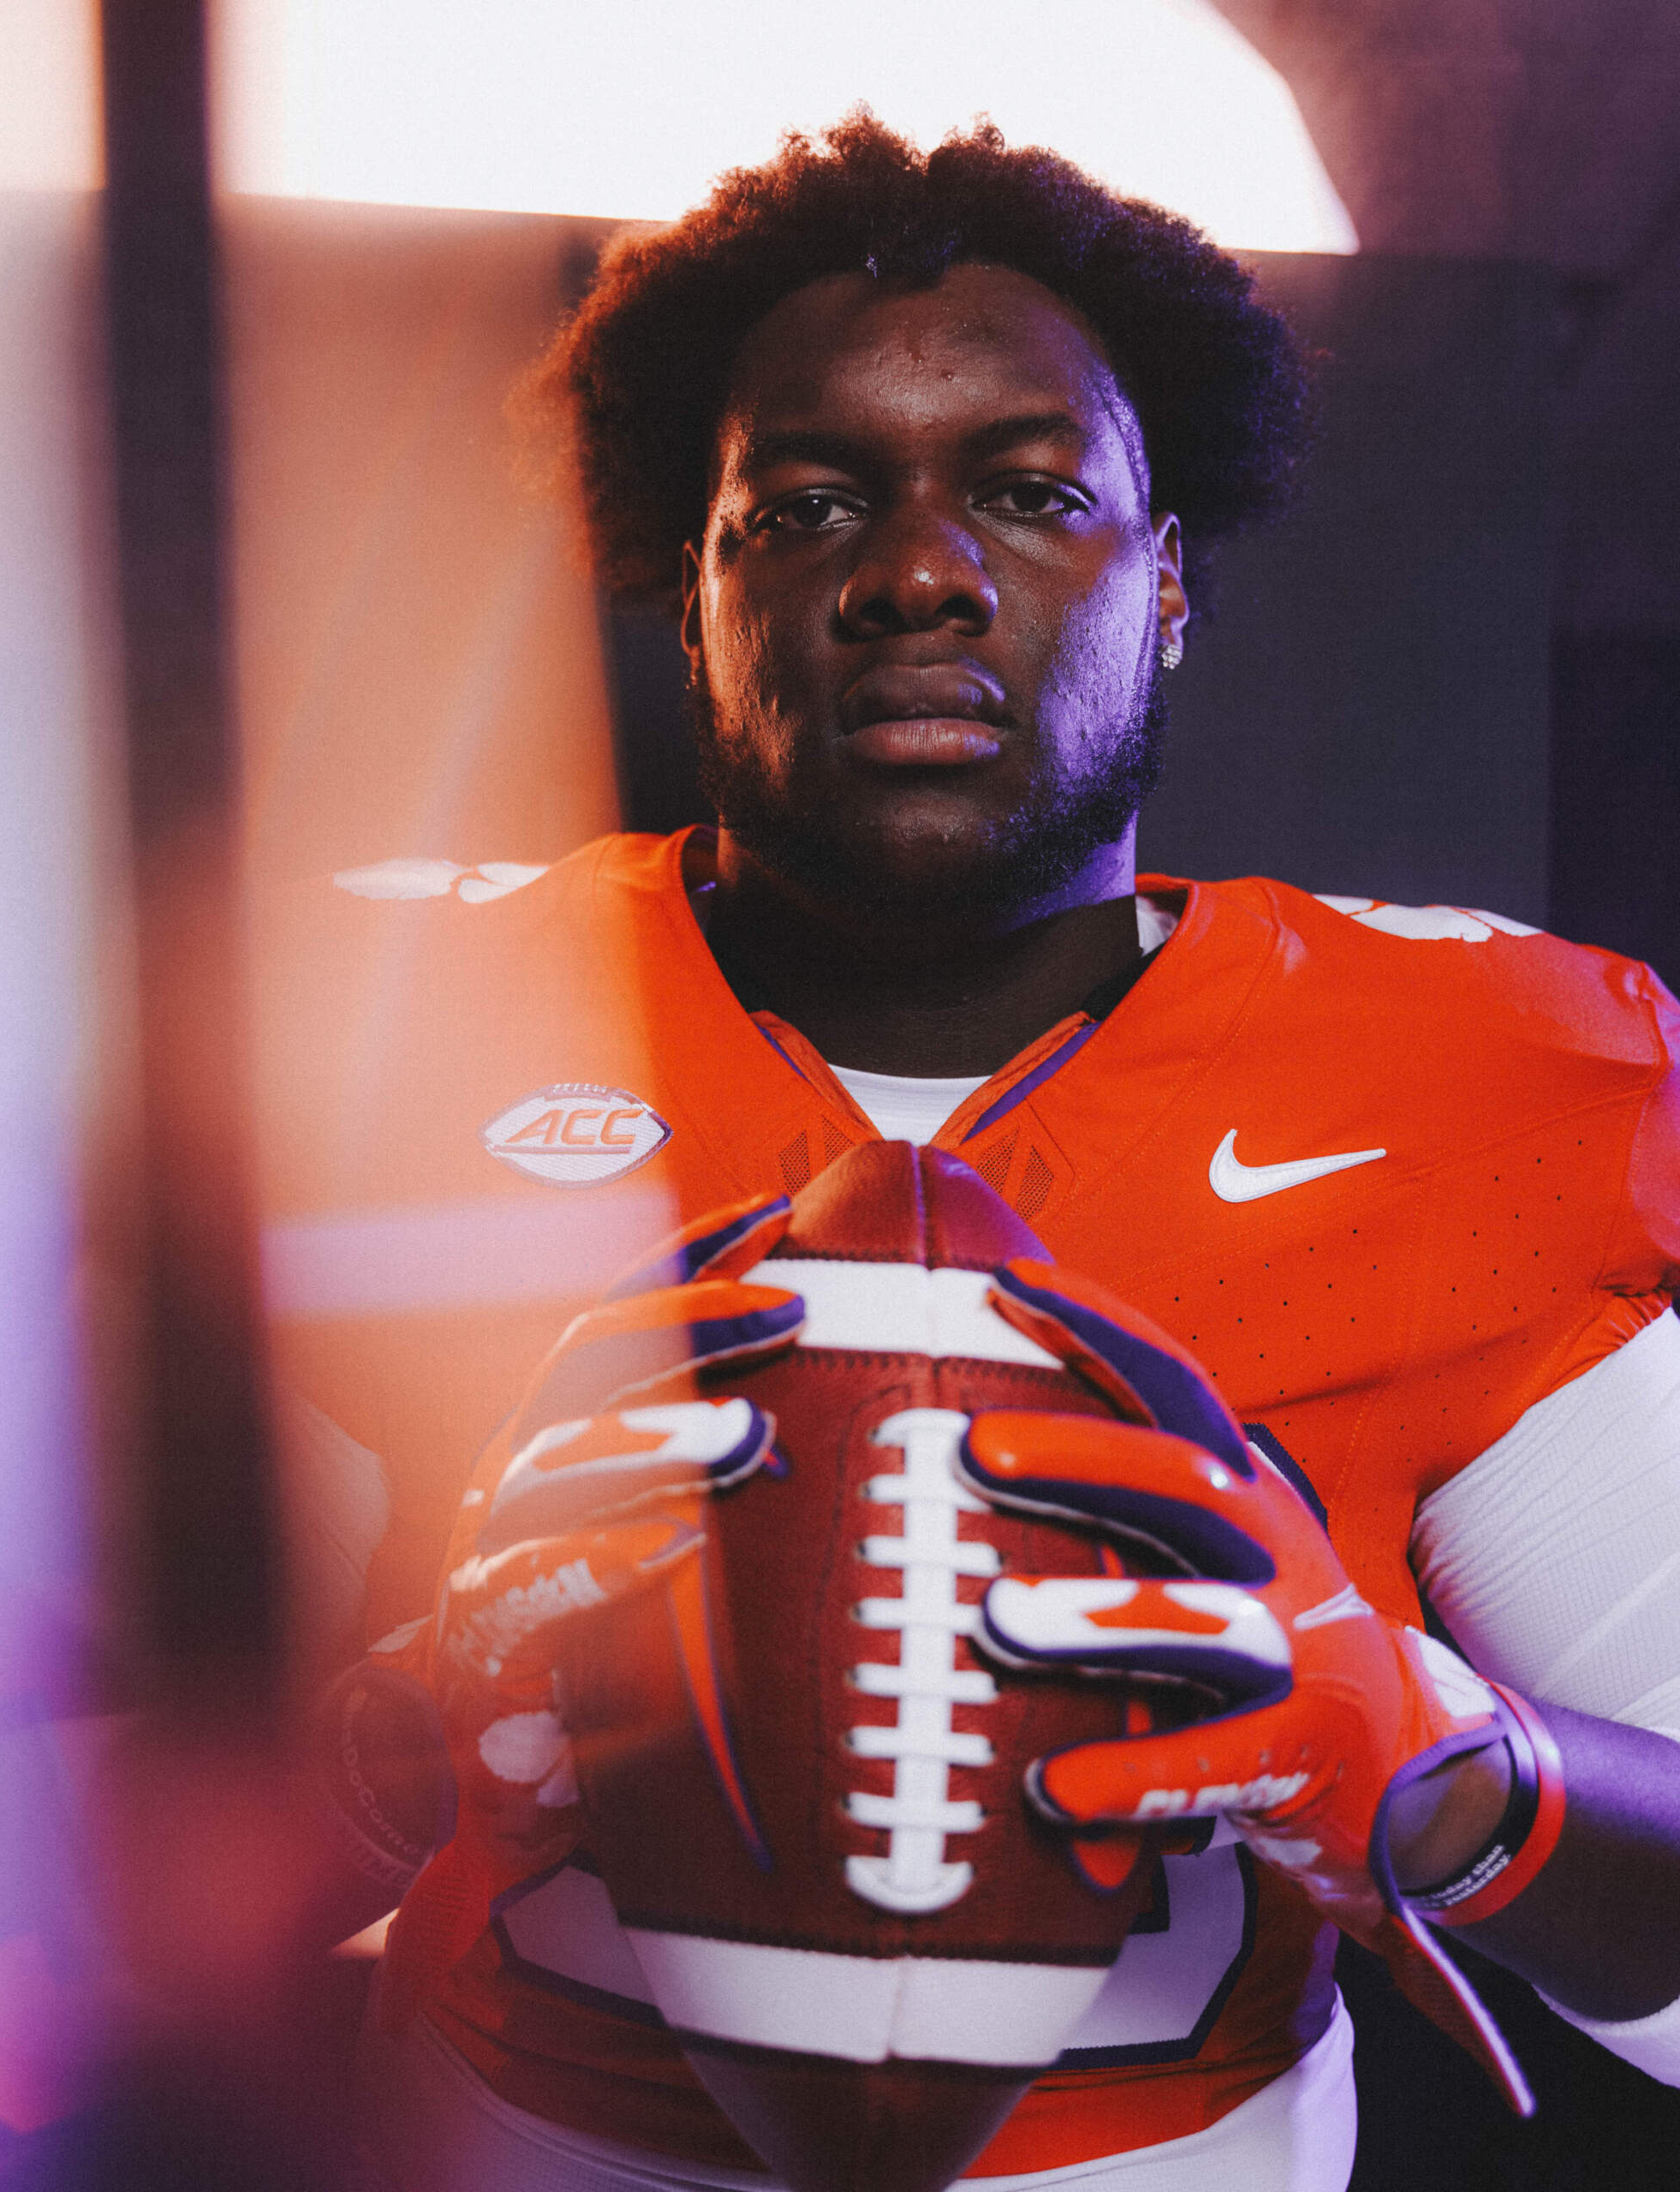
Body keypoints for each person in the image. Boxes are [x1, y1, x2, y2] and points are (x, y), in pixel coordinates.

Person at [261, 117, 1680, 2191]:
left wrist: (1435, 1754)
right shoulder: (379, 1022)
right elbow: (26, 1876)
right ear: (692, 598)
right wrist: (381, 1762)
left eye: (1026, 490)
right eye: (806, 504)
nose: (915, 573)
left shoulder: (1468, 1080)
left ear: (1166, 581)